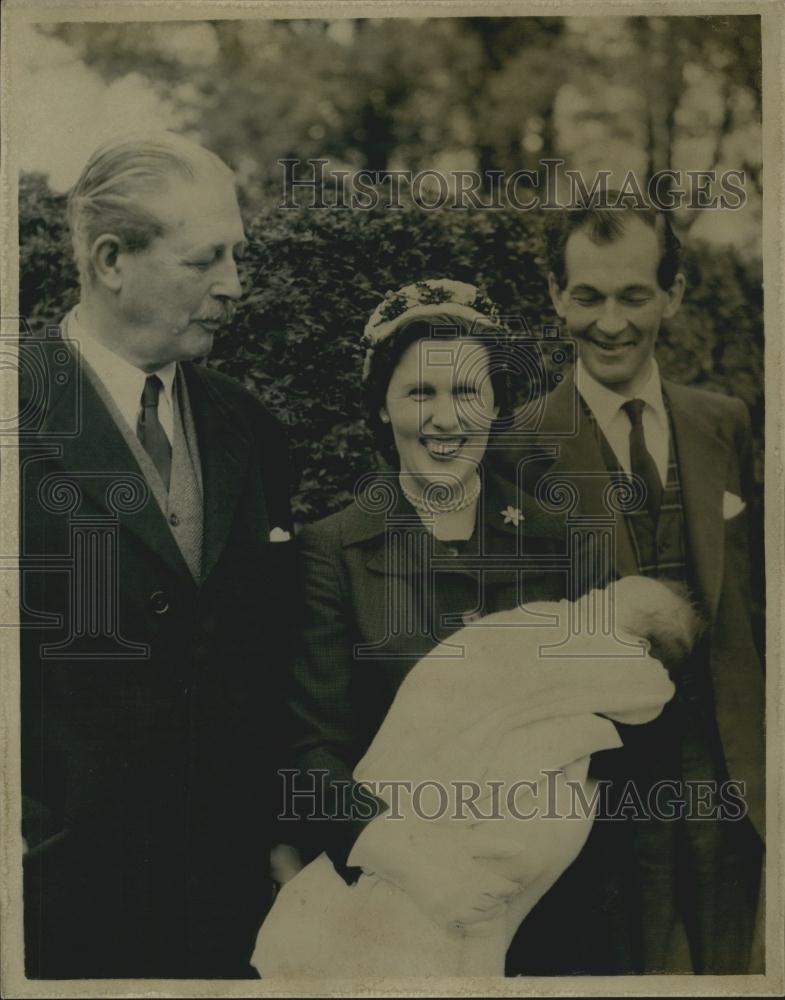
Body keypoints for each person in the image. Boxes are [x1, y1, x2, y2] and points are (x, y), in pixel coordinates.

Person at [260, 280, 694, 976]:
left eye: (466, 393)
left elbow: (626, 712)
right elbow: (309, 752)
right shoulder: (333, 550)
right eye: (419, 394)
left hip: (551, 916)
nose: (445, 419)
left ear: (495, 401)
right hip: (395, 907)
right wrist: (411, 859)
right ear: (381, 405)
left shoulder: (562, 540)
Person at [19, 131, 294, 978]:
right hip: (54, 912)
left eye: (236, 257)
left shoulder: (250, 429)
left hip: (226, 911)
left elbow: (268, 659)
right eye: (205, 259)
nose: (234, 286)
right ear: (110, 260)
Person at [494, 197, 765, 975]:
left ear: (671, 297)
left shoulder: (724, 421)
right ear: (555, 295)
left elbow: (755, 601)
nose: (609, 322)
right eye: (587, 296)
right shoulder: (519, 445)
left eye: (633, 295)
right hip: (599, 791)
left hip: (727, 783)